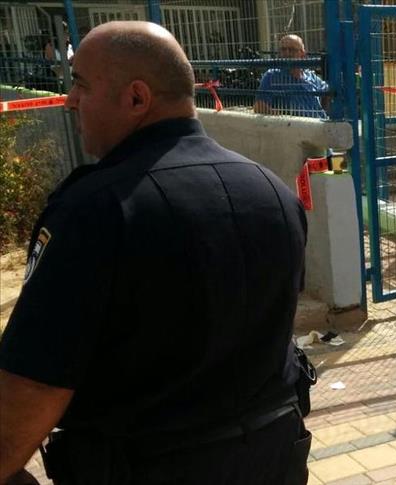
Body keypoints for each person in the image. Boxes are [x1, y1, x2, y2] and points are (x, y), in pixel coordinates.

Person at [0, 21, 311, 485]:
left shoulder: (95, 210)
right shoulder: (272, 190)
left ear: (136, 98)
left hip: (149, 467)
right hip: (274, 457)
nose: (69, 101)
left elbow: (35, 384)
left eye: (81, 84)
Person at [254, 34, 328, 118]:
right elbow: (259, 106)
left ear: (302, 54)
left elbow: (327, 93)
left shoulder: (311, 76)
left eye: (292, 50)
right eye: (283, 49)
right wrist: (283, 120)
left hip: (320, 123)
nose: (287, 53)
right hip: (295, 124)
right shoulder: (272, 76)